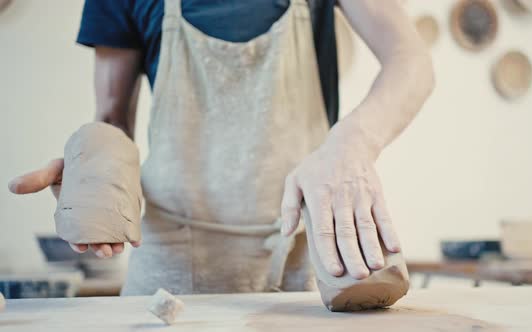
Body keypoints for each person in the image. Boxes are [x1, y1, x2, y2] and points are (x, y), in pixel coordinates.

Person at [9, 0, 434, 295]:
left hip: (301, 259)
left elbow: (411, 62)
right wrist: (93, 172)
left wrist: (352, 143)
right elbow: (112, 118)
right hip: (172, 263)